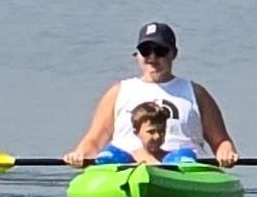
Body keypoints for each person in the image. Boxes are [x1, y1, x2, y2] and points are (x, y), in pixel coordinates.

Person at [67, 20, 237, 169]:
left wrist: (226, 152)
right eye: (146, 50)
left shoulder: (196, 93)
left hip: (182, 169)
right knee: (109, 156)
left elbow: (221, 141)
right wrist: (80, 154)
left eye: (161, 50)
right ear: (137, 56)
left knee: (182, 159)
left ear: (173, 54)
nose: (153, 57)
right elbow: (94, 141)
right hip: (123, 167)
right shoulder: (118, 92)